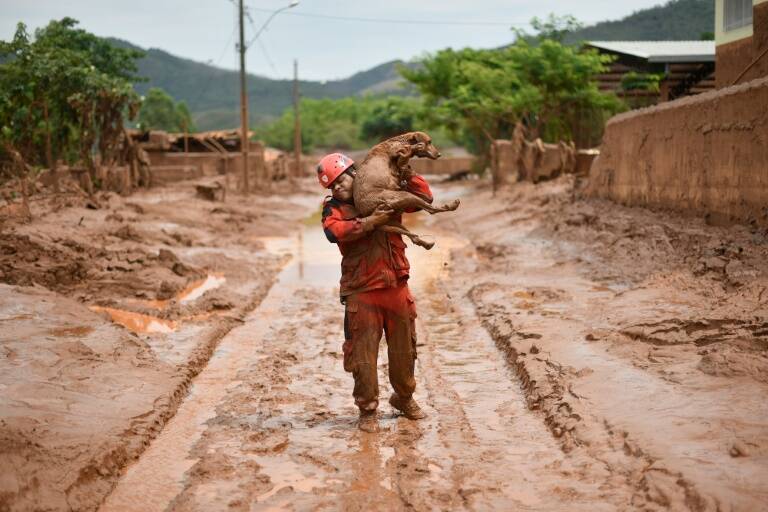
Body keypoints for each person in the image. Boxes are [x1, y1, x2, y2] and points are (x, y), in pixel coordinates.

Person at [317, 152, 431, 433]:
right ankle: (367, 410)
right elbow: (334, 232)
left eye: (340, 180)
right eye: (332, 186)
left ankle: (404, 398)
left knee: (405, 350)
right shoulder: (334, 209)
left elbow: (424, 197)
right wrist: (370, 222)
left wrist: (405, 173)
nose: (337, 188)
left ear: (355, 174)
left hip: (396, 289)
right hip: (362, 292)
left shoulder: (386, 194)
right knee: (363, 356)